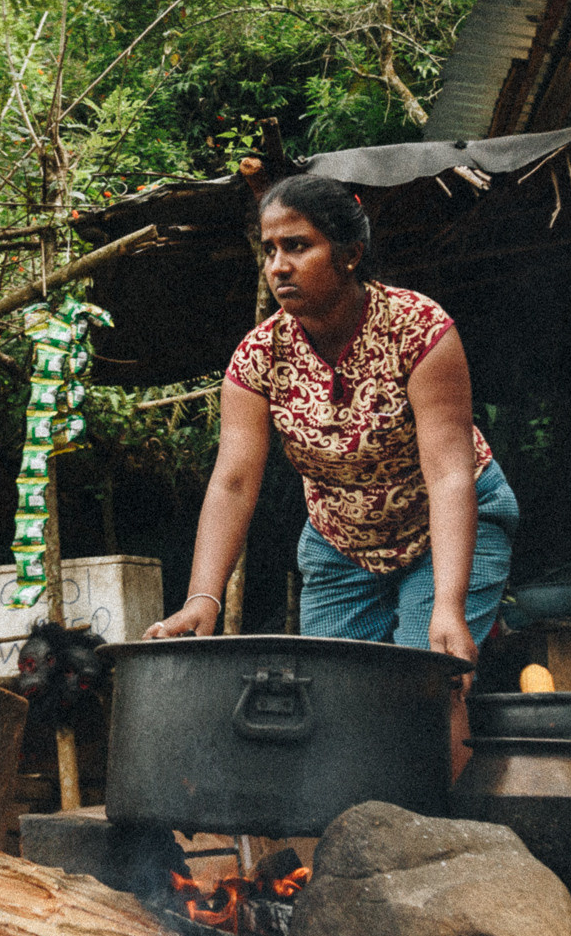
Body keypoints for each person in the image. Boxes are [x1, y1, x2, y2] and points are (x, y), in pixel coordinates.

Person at [147, 173, 518, 706]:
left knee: (430, 689)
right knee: (333, 705)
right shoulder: (258, 357)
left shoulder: (419, 330)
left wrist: (447, 606)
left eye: (297, 246)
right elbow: (232, 482)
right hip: (342, 543)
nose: (278, 266)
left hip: (451, 525)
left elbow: (449, 474)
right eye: (270, 249)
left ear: (349, 253)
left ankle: (434, 789)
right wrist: (202, 598)